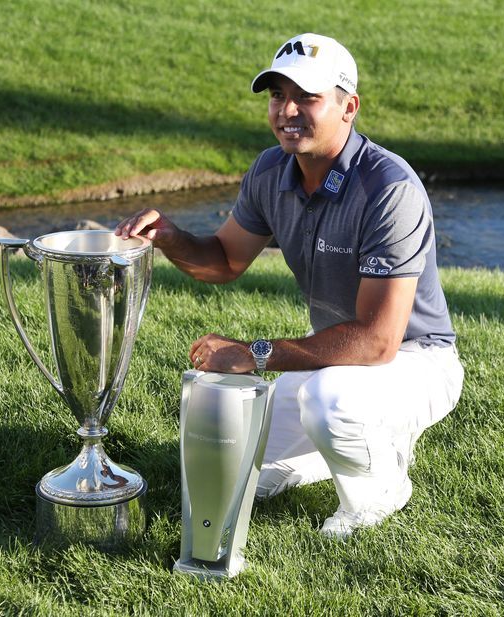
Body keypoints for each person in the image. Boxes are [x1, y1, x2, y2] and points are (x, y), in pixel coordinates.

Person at [116, 32, 464, 538]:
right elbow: (224, 260)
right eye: (278, 95)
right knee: (248, 460)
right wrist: (171, 237)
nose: (288, 110)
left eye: (308, 97)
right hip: (337, 363)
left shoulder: (390, 189)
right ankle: (337, 448)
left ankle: (380, 489)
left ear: (350, 108)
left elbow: (378, 340)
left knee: (331, 403)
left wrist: (253, 354)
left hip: (416, 360)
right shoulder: (270, 171)